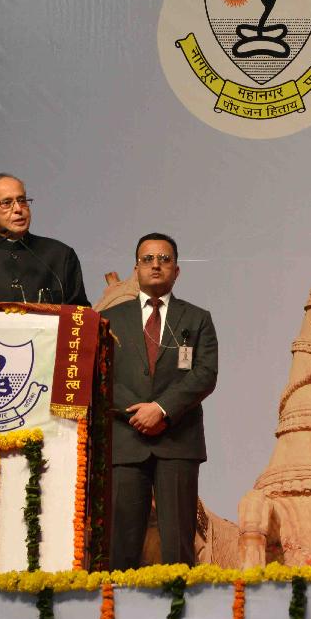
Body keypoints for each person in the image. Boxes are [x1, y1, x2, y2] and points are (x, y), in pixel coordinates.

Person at [105, 233, 218, 568]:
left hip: (178, 439)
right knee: (120, 547)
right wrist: (136, 413)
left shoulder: (197, 318)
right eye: (148, 259)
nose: (156, 265)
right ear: (136, 269)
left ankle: (179, 602)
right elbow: (101, 374)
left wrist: (161, 409)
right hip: (126, 440)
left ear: (177, 271)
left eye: (164, 259)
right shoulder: (111, 318)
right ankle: (117, 603)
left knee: (178, 547)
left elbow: (205, 374)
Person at [0, 173, 89, 305]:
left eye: (22, 200)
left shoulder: (60, 255)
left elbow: (80, 316)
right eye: (6, 203)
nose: (18, 209)